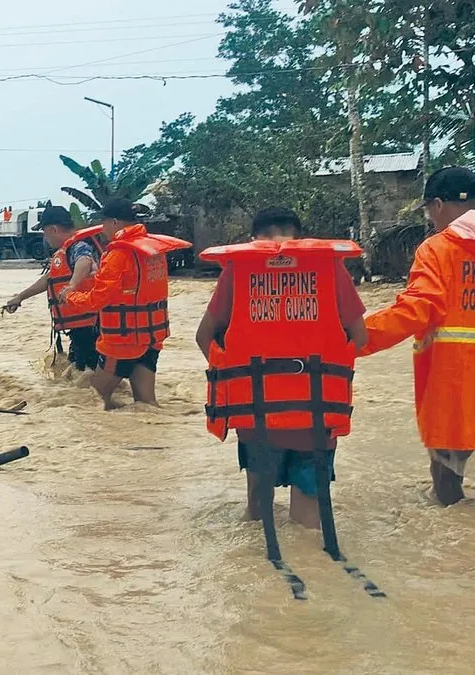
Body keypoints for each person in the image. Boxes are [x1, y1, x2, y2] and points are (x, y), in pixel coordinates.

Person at [195, 207, 367, 528]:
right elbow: (359, 337)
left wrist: (236, 380)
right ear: (299, 238)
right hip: (316, 418)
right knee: (309, 526)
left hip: (256, 417)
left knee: (257, 520)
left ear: (252, 241)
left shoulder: (239, 269)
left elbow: (204, 336)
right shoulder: (329, 268)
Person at [357, 166, 475, 506]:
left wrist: (351, 340)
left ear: (438, 205)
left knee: (448, 494)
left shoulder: (438, 249)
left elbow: (414, 311)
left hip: (453, 390)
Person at [64, 198, 191, 409]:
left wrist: (70, 296)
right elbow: (134, 286)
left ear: (114, 222)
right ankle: (153, 438)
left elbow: (97, 300)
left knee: (94, 401)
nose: (102, 229)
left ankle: (103, 441)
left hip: (122, 342)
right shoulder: (152, 251)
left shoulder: (117, 254)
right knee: (147, 403)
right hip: (151, 337)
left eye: (104, 223)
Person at [3, 205, 103, 371]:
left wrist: (71, 286)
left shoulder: (79, 246)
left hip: (90, 326)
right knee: (81, 375)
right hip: (83, 326)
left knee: (87, 374)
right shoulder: (68, 250)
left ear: (53, 229)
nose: (45, 238)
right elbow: (50, 279)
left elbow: (85, 261)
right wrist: (20, 297)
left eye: (44, 232)